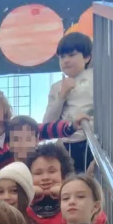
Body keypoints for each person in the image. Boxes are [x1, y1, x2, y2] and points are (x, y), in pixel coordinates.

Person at [44, 32, 94, 172]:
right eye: (62, 57)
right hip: (66, 145)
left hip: (93, 142)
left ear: (87, 57)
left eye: (72, 55)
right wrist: (62, 95)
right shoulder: (56, 87)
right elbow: (47, 123)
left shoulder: (96, 78)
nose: (66, 60)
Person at [26, 143, 76, 224]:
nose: (45, 177)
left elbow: (97, 219)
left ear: (63, 175)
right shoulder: (23, 207)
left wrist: (66, 194)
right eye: (38, 173)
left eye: (52, 171)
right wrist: (28, 194)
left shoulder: (73, 204)